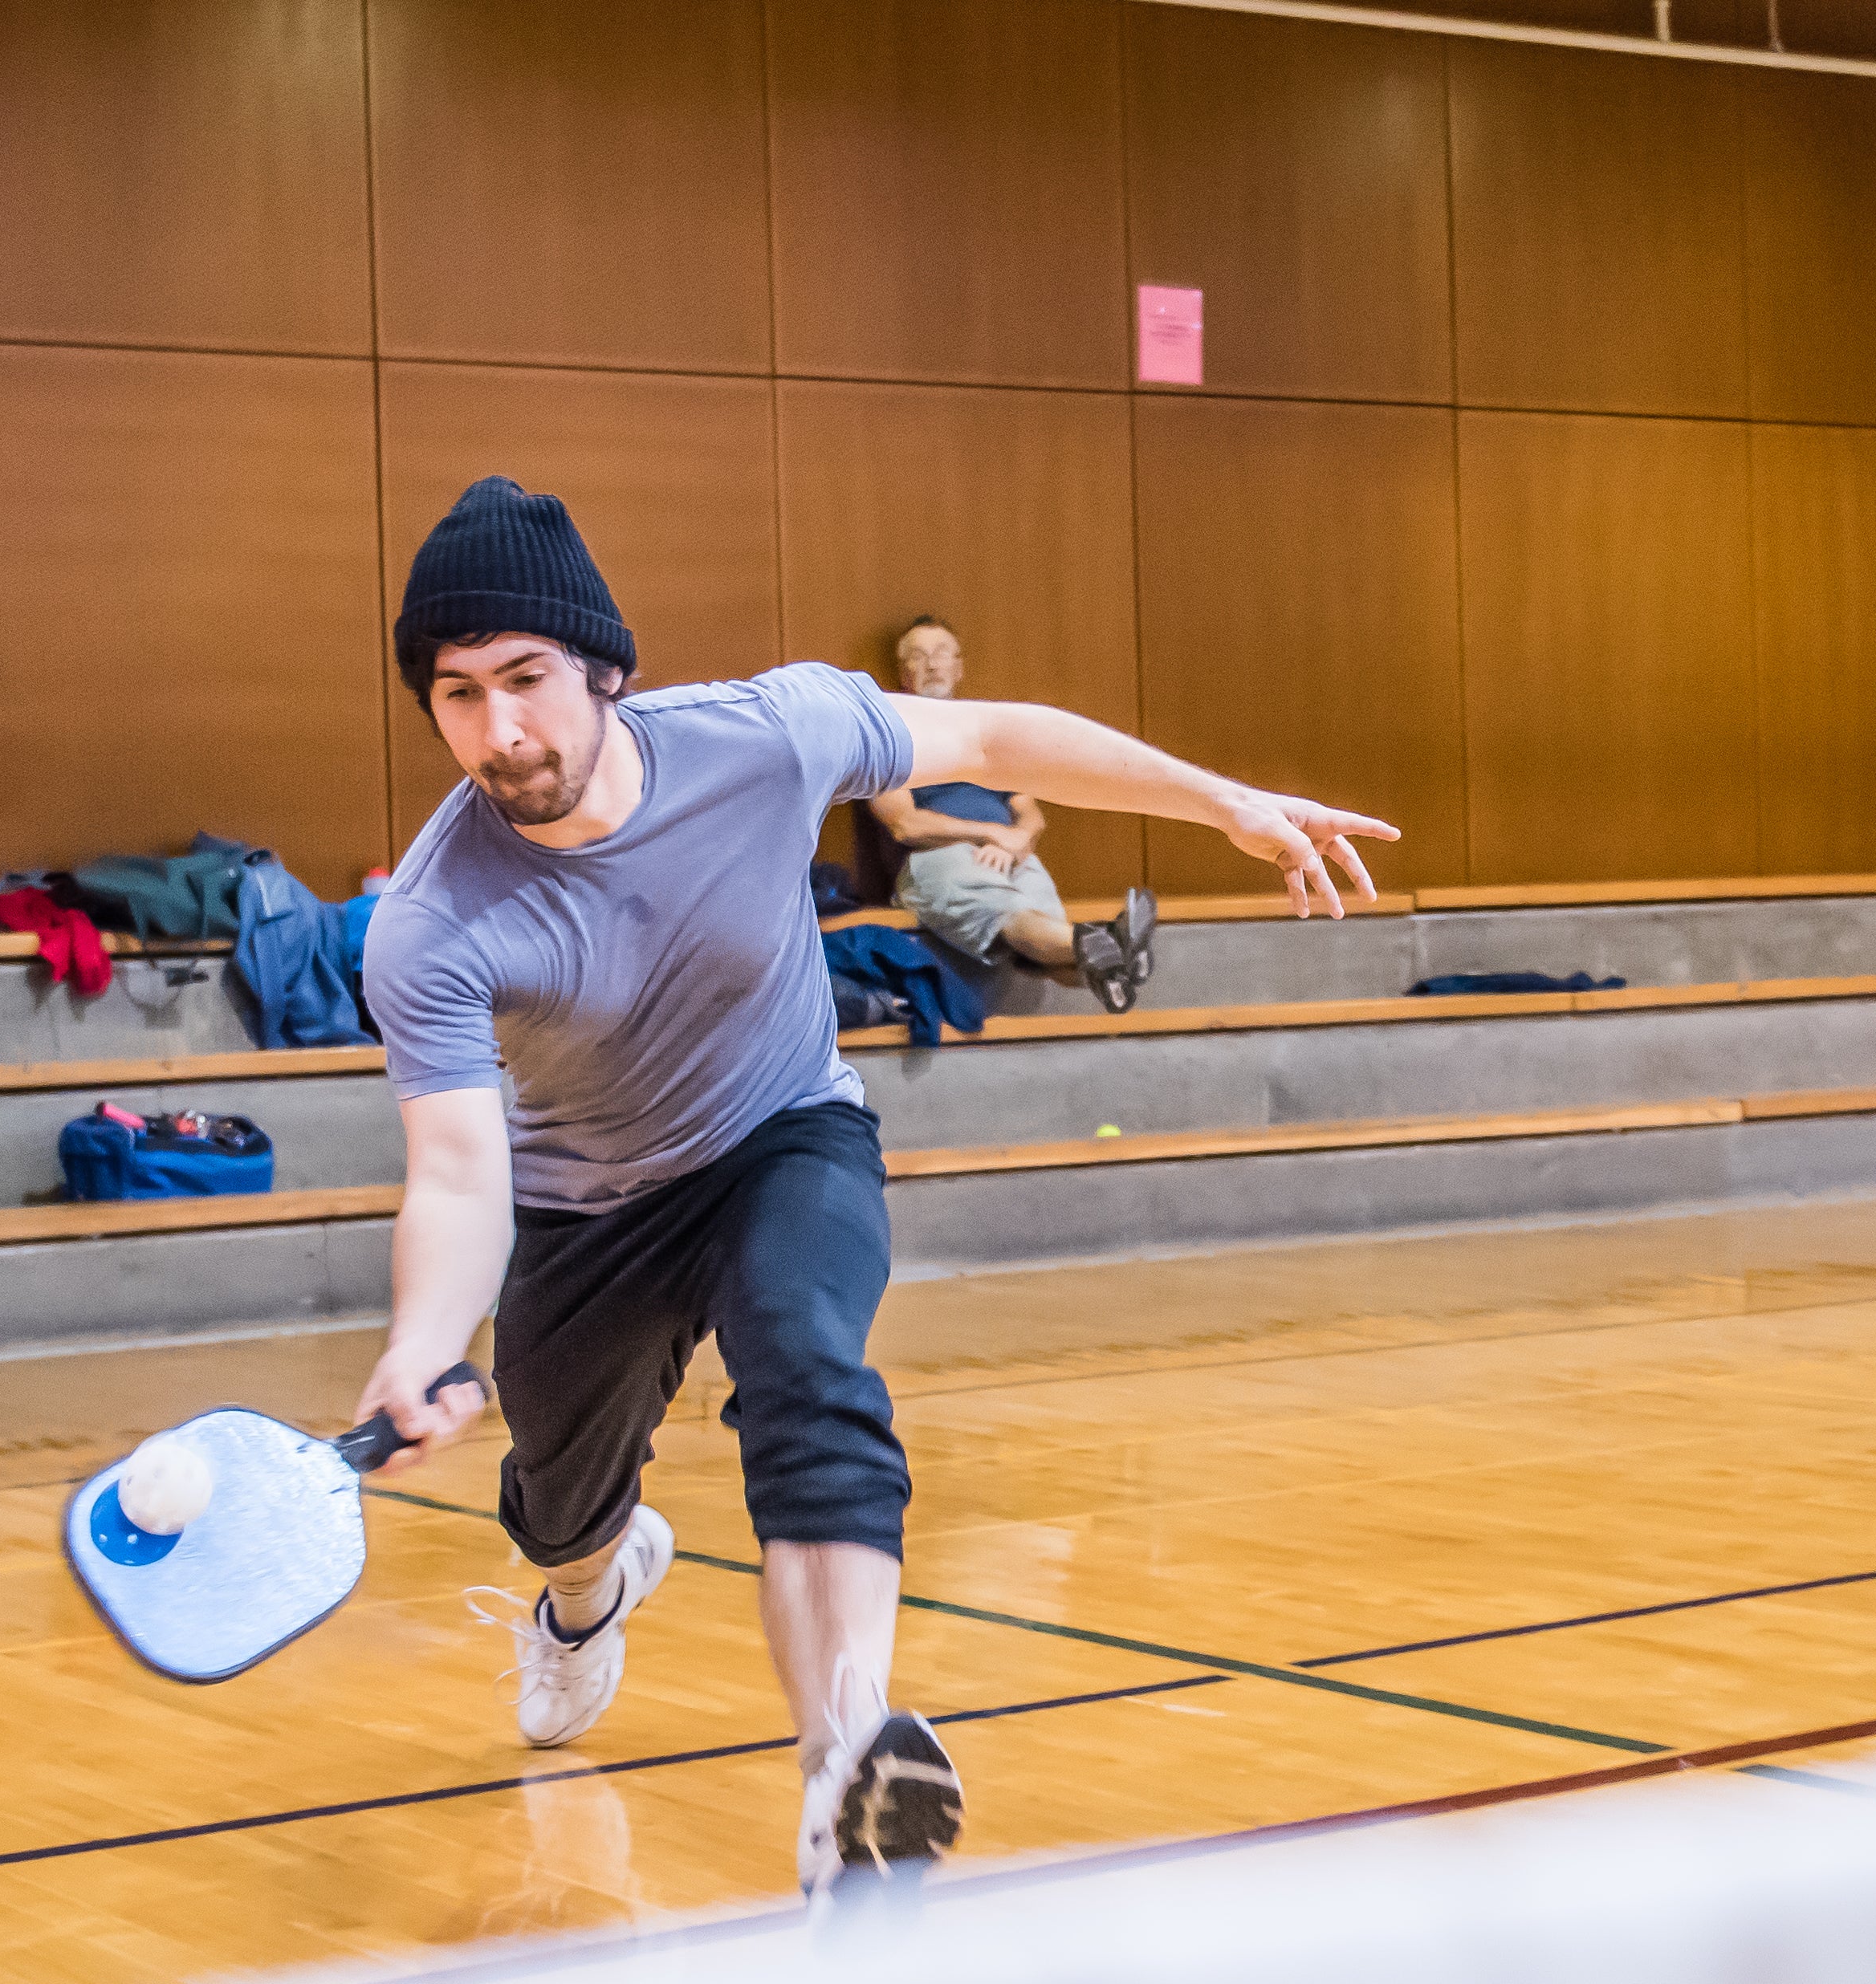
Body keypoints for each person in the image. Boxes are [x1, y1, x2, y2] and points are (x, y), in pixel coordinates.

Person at [354, 477, 1394, 1890]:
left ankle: (849, 1756)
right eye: (459, 694)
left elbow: (996, 730)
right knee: (562, 1505)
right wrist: (422, 1347)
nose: (501, 731)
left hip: (783, 1133)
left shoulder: (762, 735)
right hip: (586, 1202)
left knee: (811, 1367)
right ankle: (589, 1595)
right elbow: (462, 1165)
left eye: (527, 680)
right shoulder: (432, 916)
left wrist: (1217, 802)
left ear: (606, 668)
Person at [869, 615, 1157, 1010]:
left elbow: (1030, 813)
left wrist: (1017, 840)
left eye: (941, 655)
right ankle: (1117, 944)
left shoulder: (987, 735)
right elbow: (905, 824)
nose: (932, 665)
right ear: (904, 673)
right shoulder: (890, 738)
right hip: (938, 860)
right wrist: (988, 835)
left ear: (959, 667)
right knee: (1021, 921)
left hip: (1011, 855)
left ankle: (1112, 952)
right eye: (918, 657)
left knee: (1052, 944)